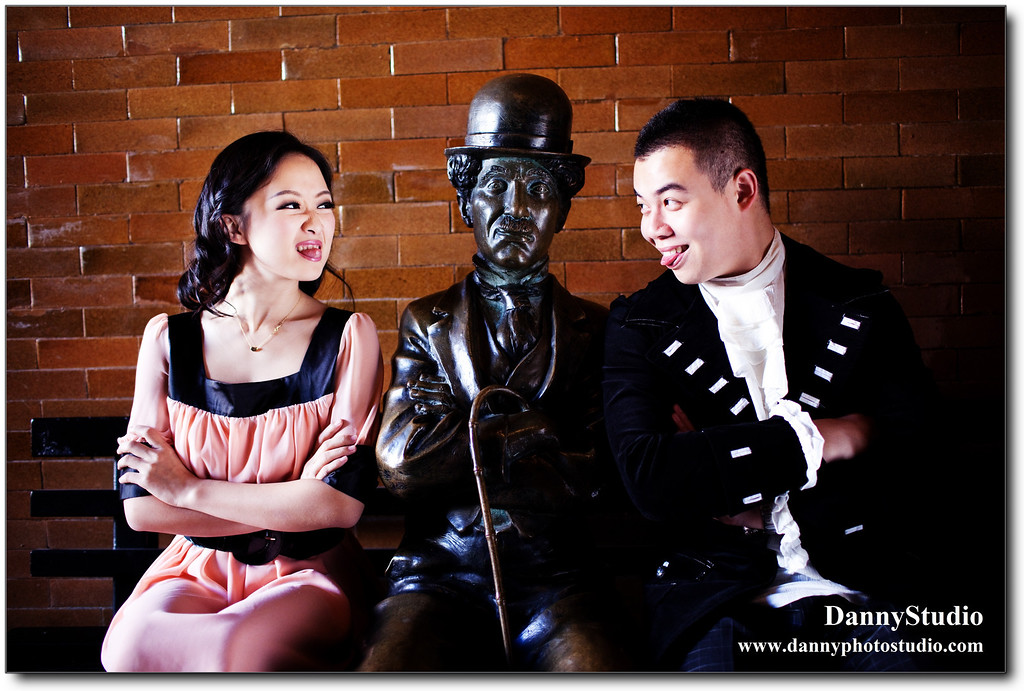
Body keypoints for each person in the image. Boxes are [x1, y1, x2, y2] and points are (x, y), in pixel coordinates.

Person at [603, 99, 938, 671]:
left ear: (741, 190)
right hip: (714, 596)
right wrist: (824, 437)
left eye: (671, 202)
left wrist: (723, 472)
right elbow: (651, 480)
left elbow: (920, 460)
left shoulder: (861, 302)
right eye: (643, 205)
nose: (651, 228)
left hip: (863, 589)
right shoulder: (640, 325)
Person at [358, 73, 631, 671]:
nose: (515, 210)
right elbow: (402, 463)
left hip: (559, 582)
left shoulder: (596, 328)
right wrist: (532, 431)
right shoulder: (426, 322)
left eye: (537, 189)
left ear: (562, 209)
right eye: (495, 186)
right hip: (439, 576)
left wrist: (459, 437)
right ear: (466, 202)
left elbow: (598, 472)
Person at [100, 131, 385, 672]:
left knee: (232, 652)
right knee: (129, 648)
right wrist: (290, 505)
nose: (317, 223)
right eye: (291, 205)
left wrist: (188, 489)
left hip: (307, 572)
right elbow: (141, 508)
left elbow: (337, 508)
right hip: (192, 568)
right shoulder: (168, 340)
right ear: (234, 227)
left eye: (324, 205)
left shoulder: (348, 337)